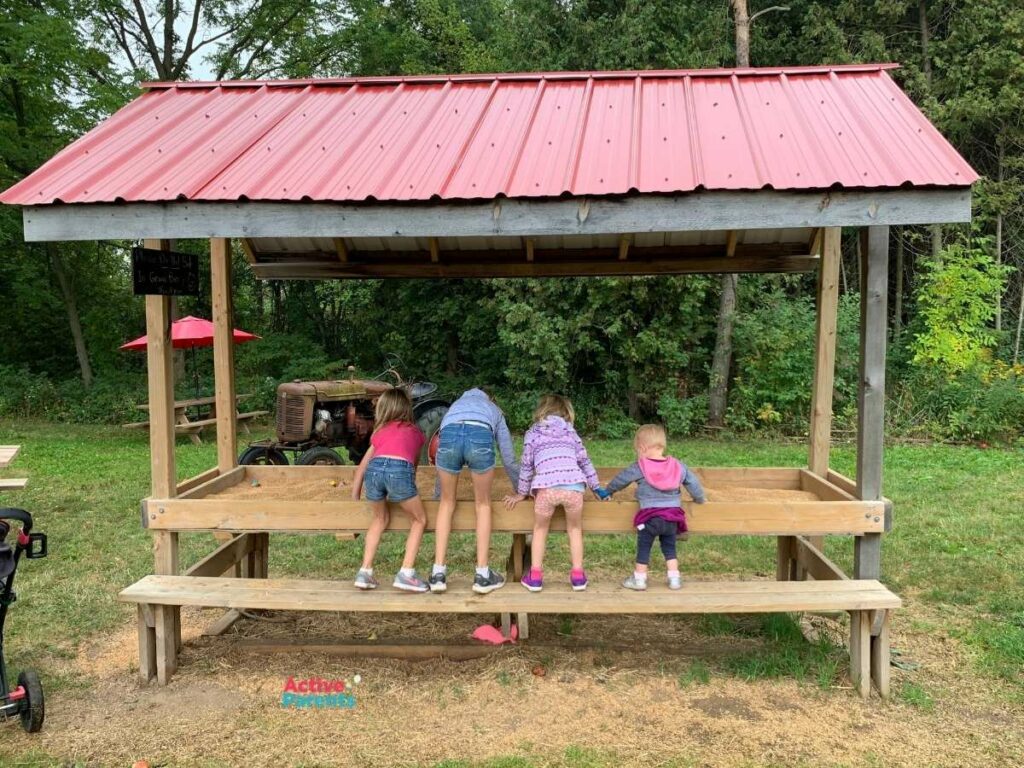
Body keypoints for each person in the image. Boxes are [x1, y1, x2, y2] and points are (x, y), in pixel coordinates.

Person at [504, 394, 604, 592]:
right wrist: (596, 487)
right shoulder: (571, 433)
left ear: (541, 410)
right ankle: (577, 576)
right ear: (567, 413)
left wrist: (522, 493)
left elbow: (526, 466)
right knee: (575, 530)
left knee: (540, 530)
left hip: (546, 488)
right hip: (574, 487)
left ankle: (535, 576)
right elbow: (585, 461)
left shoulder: (533, 433)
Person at [430, 387, 519, 594]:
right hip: (479, 435)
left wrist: (437, 493)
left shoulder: (453, 409)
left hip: (450, 436)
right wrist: (520, 489)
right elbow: (509, 458)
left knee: (446, 503)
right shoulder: (493, 410)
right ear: (490, 398)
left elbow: (438, 451)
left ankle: (438, 573)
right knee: (483, 504)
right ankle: (482, 574)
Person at [599, 424, 706, 591]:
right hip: (672, 518)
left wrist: (608, 491)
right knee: (669, 547)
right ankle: (674, 578)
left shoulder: (640, 466)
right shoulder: (677, 466)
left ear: (642, 448)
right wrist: (699, 499)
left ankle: (639, 579)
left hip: (649, 518)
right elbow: (692, 482)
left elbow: (622, 479)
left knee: (644, 547)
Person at [351, 388, 429, 593]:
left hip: (374, 472)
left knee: (379, 520)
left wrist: (355, 496)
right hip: (400, 472)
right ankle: (406, 572)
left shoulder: (379, 433)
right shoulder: (416, 433)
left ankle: (365, 571)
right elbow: (412, 468)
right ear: (407, 408)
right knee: (419, 520)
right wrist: (406, 492)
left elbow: (363, 467)